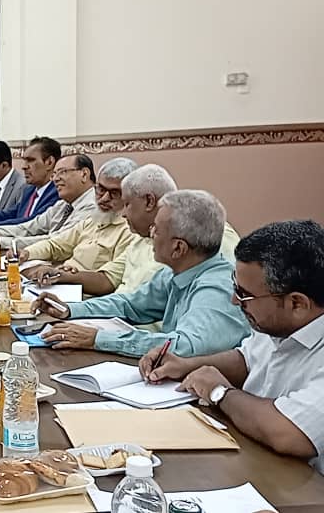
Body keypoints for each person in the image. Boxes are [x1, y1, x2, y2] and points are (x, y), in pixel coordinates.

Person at [139, 220, 324, 474]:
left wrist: (219, 392)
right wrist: (185, 366)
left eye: (244, 294)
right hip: (253, 456)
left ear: (297, 304)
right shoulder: (277, 321)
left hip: (302, 485)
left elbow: (289, 433)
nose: (234, 300)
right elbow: (246, 360)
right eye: (234, 286)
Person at [34, 189, 250, 358]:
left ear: (178, 248)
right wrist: (70, 309)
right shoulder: (177, 271)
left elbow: (185, 346)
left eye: (157, 230)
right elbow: (130, 304)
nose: (151, 234)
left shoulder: (216, 288)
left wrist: (98, 339)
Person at [61, 164, 240, 297]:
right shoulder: (140, 238)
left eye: (127, 204)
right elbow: (114, 286)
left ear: (149, 201)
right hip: (120, 322)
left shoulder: (212, 235)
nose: (123, 214)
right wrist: (72, 306)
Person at [19, 158, 139, 288]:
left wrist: (63, 276)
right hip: (58, 283)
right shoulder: (94, 219)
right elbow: (56, 245)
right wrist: (26, 253)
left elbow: (108, 281)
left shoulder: (131, 231)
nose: (104, 198)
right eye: (101, 189)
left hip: (80, 293)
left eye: (114, 193)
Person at [0, 153, 98, 250]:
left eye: (62, 172)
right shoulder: (63, 205)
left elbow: (56, 241)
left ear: (84, 174)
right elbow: (29, 228)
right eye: (54, 174)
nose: (55, 179)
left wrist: (0, 241)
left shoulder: (92, 205)